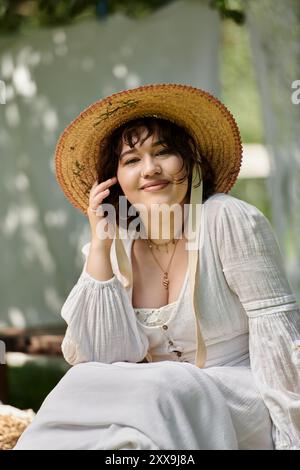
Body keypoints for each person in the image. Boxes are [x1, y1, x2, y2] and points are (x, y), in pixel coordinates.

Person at [14, 84, 300, 450]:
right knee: (78, 385)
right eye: (132, 160)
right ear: (113, 179)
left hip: (239, 398)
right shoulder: (116, 244)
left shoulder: (229, 220)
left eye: (163, 152)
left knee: (163, 386)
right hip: (156, 408)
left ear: (192, 161)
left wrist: (291, 439)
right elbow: (101, 362)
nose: (150, 169)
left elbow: (279, 341)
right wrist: (101, 247)